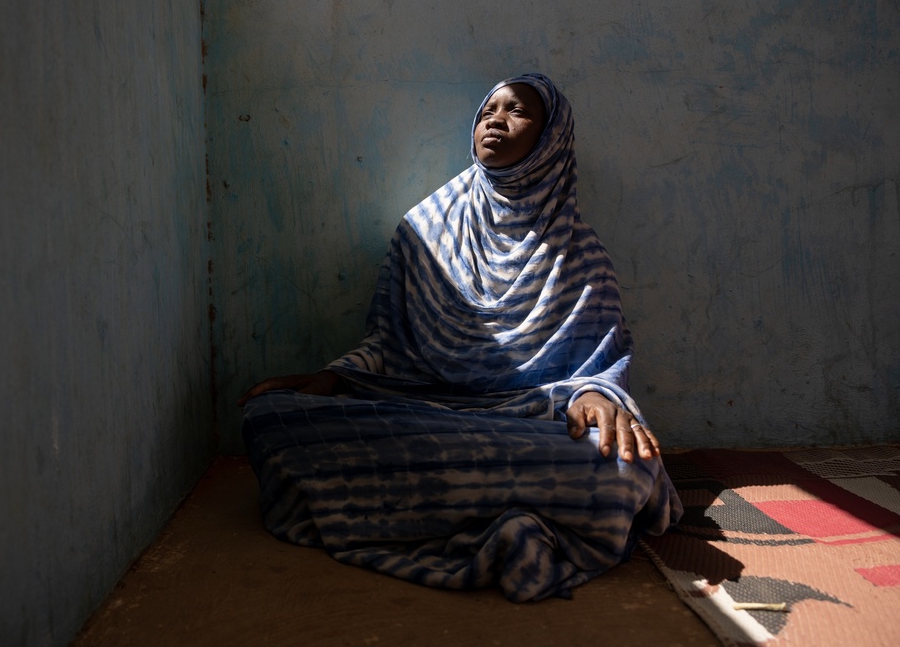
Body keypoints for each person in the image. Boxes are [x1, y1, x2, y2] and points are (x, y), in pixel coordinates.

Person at [238, 73, 682, 602]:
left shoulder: (580, 255)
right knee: (271, 418)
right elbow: (388, 344)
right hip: (424, 413)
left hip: (528, 422)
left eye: (517, 111)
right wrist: (333, 379)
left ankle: (423, 498)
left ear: (551, 139)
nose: (496, 119)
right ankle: (496, 496)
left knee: (625, 468)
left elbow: (599, 363)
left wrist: (595, 393)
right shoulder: (422, 230)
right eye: (488, 110)